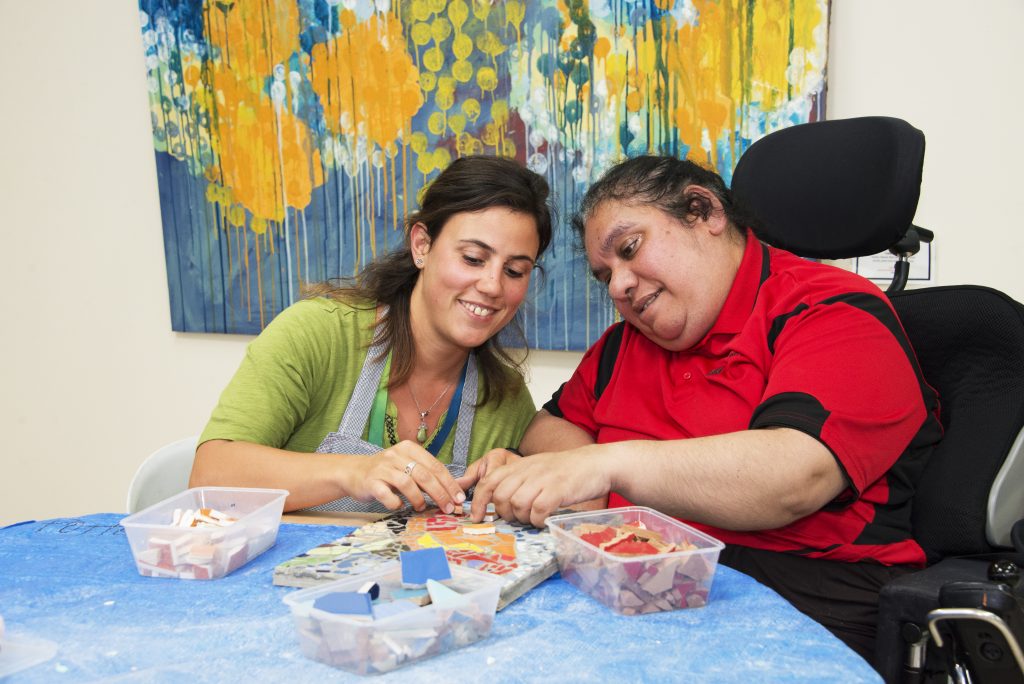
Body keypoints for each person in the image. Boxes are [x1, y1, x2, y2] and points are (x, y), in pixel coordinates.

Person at [459, 155, 942, 662]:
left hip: (806, 597)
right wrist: (570, 479)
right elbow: (548, 428)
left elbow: (792, 480)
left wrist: (603, 465)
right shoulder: (625, 344)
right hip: (643, 575)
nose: (620, 286)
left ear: (703, 210)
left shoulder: (833, 312)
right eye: (606, 277)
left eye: (629, 249)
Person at [190, 155, 553, 516]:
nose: (492, 285)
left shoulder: (505, 399)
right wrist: (354, 471)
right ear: (422, 246)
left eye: (515, 271)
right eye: (473, 258)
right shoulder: (317, 336)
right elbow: (209, 479)